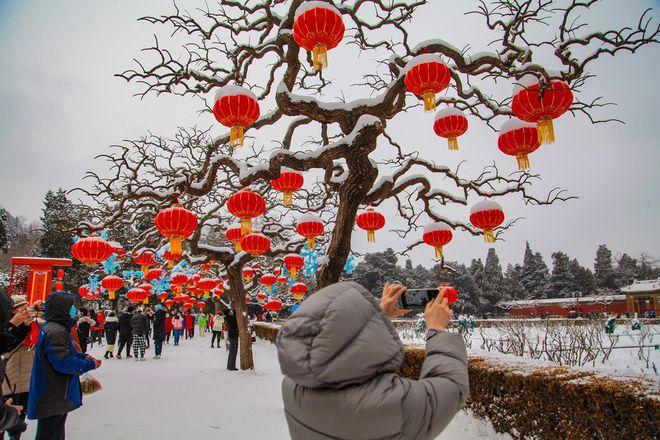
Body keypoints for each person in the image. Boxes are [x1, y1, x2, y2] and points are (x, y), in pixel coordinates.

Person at [277, 282, 468, 439]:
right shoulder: (387, 403)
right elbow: (451, 387)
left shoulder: (293, 387)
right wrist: (436, 329)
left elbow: (335, 341)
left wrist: (378, 315)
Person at [27, 291, 102, 440]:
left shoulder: (54, 328)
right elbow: (63, 362)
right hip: (54, 391)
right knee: (50, 433)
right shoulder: (55, 331)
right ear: (62, 308)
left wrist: (81, 356)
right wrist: (88, 364)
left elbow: (61, 354)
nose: (73, 310)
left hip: (54, 390)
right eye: (70, 306)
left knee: (53, 431)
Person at [2, 296, 39, 440]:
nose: (25, 311)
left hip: (26, 375)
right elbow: (7, 345)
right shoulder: (7, 329)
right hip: (10, 378)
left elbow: (34, 340)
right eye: (21, 308)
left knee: (19, 416)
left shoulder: (31, 325)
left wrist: (27, 324)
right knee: (6, 416)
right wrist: (16, 325)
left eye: (26, 307)